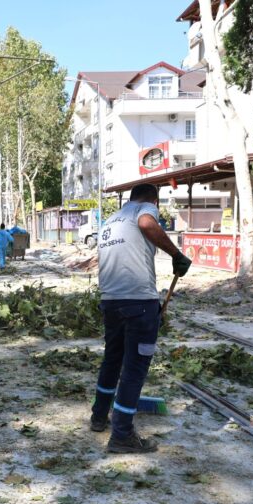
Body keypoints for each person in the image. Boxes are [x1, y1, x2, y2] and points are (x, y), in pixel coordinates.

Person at [91, 183, 191, 453]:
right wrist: (176, 254)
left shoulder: (111, 220)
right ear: (154, 200)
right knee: (134, 369)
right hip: (138, 301)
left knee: (112, 360)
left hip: (111, 301)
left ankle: (99, 417)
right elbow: (147, 223)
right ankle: (122, 435)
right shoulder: (145, 209)